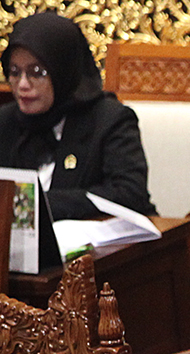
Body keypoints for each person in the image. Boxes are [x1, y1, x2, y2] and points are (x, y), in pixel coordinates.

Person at [0, 12, 156, 220]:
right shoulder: (5, 121)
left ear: (63, 70)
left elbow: (129, 193)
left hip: (103, 246)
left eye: (37, 72)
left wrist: (41, 204)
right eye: (14, 72)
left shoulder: (110, 120)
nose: (22, 85)